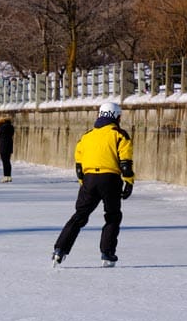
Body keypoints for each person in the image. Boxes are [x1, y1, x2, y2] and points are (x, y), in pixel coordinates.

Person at [52, 102, 135, 268]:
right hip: (110, 178)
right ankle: (107, 254)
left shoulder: (87, 136)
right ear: (117, 117)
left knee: (79, 216)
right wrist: (129, 182)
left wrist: (84, 183)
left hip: (89, 179)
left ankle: (60, 250)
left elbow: (79, 165)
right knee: (112, 215)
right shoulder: (119, 134)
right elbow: (125, 162)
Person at [0, 115, 15, 182]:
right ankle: (9, 176)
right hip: (9, 144)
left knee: (4, 161)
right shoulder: (11, 127)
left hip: (2, 144)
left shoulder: (0, 127)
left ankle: (5, 176)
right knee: (8, 161)